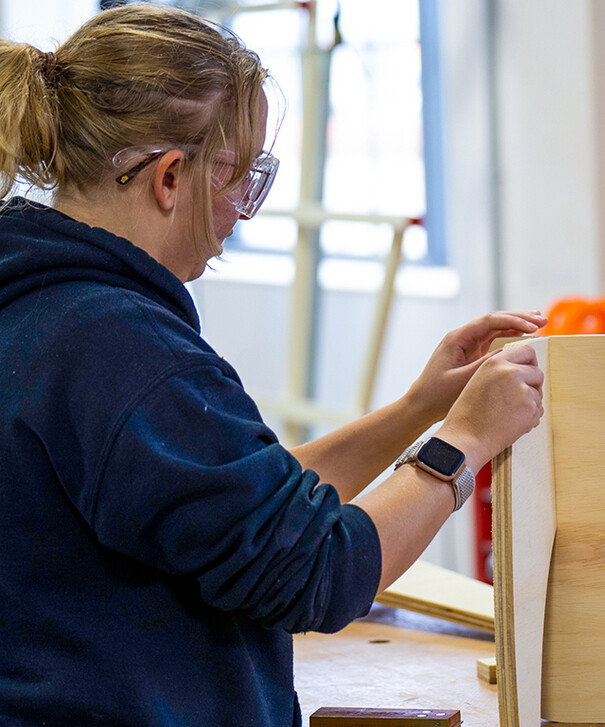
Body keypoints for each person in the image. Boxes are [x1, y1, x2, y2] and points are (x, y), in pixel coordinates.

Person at [0, 4, 545, 726]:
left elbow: (246, 507)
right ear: (170, 178)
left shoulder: (37, 302)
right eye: (239, 180)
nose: (241, 213)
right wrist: (466, 442)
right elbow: (316, 572)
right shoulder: (124, 350)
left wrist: (421, 410)